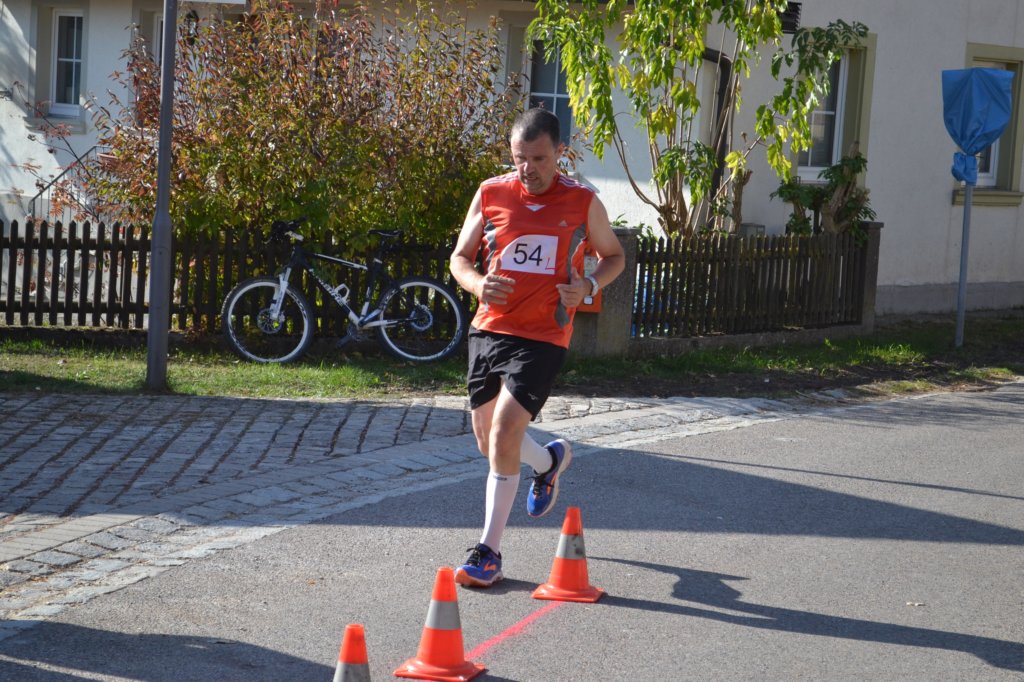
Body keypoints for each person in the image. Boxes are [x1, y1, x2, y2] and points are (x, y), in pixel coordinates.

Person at [448, 108, 625, 587]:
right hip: (490, 328)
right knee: (488, 442)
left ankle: (488, 553)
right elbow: (460, 258)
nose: (528, 168)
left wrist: (588, 285)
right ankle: (549, 462)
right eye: (519, 158)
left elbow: (614, 256)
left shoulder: (582, 201)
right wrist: (479, 284)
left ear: (560, 153)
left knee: (506, 431)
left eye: (539, 158)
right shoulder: (491, 192)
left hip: (545, 334)